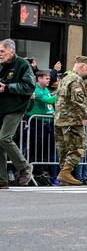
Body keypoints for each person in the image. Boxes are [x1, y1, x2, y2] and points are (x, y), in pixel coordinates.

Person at [0, 39, 35, 188]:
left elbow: (29, 87)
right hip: (2, 108)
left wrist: (7, 88)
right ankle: (2, 180)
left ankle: (24, 167)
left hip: (16, 108)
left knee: (4, 138)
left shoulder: (22, 64)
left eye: (2, 51)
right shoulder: (1, 65)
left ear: (12, 52)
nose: (0, 54)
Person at [54, 57, 87, 185]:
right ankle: (66, 172)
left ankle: (65, 175)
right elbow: (79, 101)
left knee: (64, 148)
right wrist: (84, 116)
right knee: (79, 146)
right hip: (72, 119)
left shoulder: (65, 79)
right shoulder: (76, 79)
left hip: (60, 119)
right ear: (82, 66)